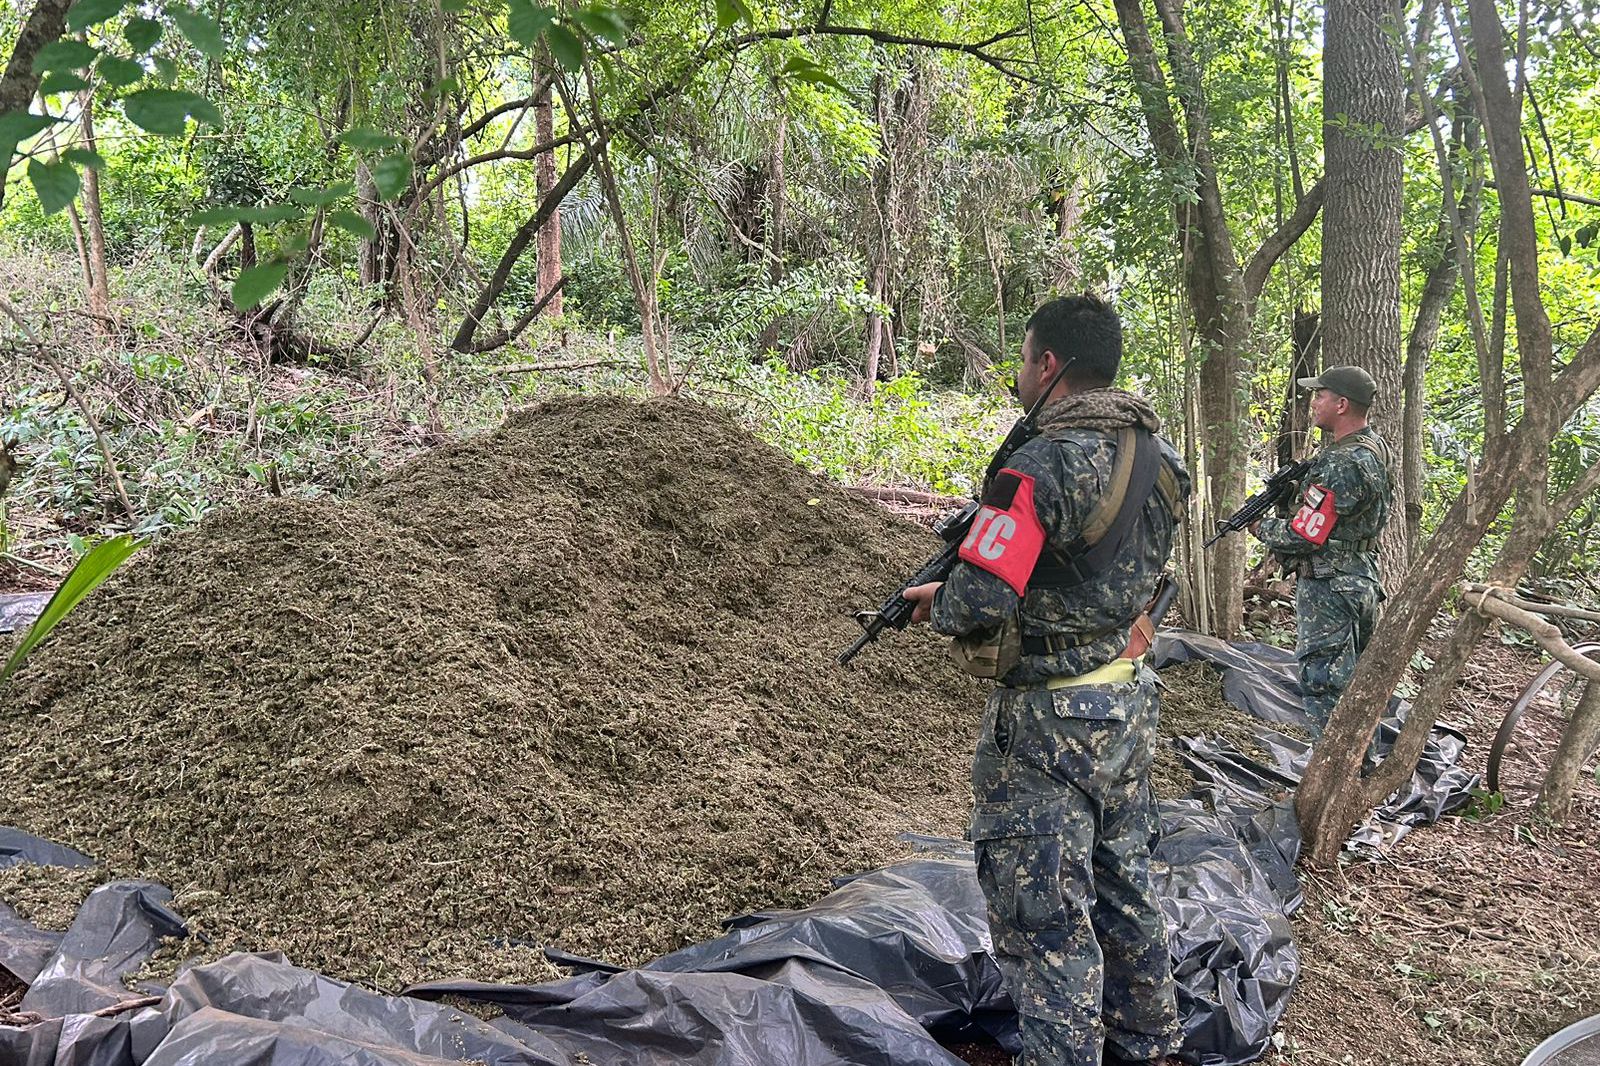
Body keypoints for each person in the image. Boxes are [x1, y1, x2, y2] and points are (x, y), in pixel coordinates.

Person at [902, 294, 1189, 1066]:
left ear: (1050, 364)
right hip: (1125, 698)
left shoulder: (1039, 466)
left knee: (1046, 921)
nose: (1020, 376)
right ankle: (1151, 1041)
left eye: (1025, 360)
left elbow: (983, 595)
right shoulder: (1162, 462)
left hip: (1046, 722)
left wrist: (942, 601)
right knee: (1125, 879)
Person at [1250, 365, 1394, 738]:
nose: (1314, 402)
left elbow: (1306, 534)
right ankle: (1359, 769)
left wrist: (1259, 527)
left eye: (1321, 395)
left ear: (1342, 404)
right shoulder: (1372, 446)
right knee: (1356, 687)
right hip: (1360, 576)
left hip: (1331, 585)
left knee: (1324, 684)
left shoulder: (1341, 462)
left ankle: (1329, 784)